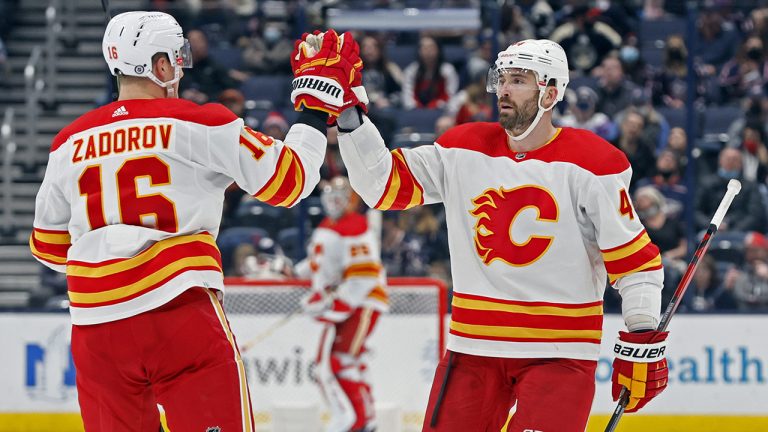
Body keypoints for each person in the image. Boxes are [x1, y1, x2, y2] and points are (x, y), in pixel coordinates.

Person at [27, 12, 362, 431]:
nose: (181, 66)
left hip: (96, 329)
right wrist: (315, 105)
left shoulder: (66, 143)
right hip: (177, 312)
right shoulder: (196, 120)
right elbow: (289, 180)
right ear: (161, 66)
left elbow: (48, 246)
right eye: (177, 56)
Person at [324, 36, 668, 431]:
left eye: (518, 80)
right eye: (502, 79)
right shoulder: (462, 148)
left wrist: (642, 334)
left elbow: (636, 263)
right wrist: (349, 116)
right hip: (472, 348)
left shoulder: (594, 164)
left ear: (551, 92)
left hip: (560, 354)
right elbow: (380, 185)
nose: (503, 89)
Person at [294, 176, 388, 432]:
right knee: (348, 359)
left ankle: (355, 420)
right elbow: (321, 262)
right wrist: (291, 271)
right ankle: (365, 420)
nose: (334, 202)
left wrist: (337, 306)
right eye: (329, 197)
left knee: (341, 360)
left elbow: (364, 276)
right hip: (348, 302)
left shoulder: (356, 225)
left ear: (351, 200)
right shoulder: (329, 225)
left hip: (363, 302)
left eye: (340, 197)